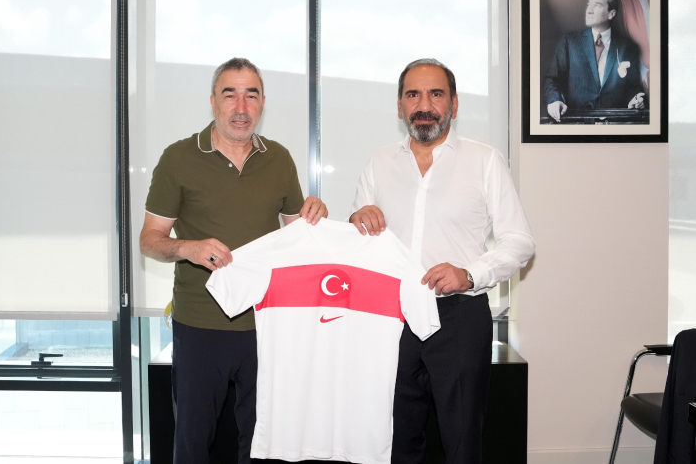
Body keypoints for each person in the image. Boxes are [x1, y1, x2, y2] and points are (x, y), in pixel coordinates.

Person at [139, 57, 327, 464]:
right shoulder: (178, 158)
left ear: (263, 103)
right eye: (230, 95)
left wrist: (317, 216)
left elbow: (300, 239)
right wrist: (187, 248)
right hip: (200, 325)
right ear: (213, 101)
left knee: (263, 444)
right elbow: (149, 241)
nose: (241, 108)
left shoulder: (279, 158)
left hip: (265, 324)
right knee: (193, 441)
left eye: (251, 96)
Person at [349, 58, 535, 463]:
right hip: (390, 319)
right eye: (413, 95)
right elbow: (359, 243)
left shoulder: (485, 160)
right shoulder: (378, 163)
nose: (424, 105)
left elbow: (520, 242)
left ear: (454, 103)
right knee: (394, 440)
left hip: (459, 318)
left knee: (462, 442)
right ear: (400, 106)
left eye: (436, 94)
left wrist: (470, 274)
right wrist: (356, 219)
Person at [543, 0, 646, 122]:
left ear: (611, 14)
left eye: (597, 5)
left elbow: (632, 86)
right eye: (588, 5)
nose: (589, 11)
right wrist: (554, 100)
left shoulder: (627, 47)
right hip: (577, 122)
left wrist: (634, 100)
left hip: (614, 124)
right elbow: (552, 79)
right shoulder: (569, 42)